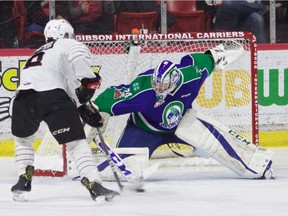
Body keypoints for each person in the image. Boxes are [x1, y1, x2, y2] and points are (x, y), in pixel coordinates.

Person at [92, 42, 275, 180]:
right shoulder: (143, 90)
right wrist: (95, 111)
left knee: (212, 139)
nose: (159, 89)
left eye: (163, 85)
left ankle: (255, 161)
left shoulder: (191, 75)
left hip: (181, 122)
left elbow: (207, 59)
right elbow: (111, 97)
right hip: (144, 130)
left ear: (173, 80)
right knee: (123, 172)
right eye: (157, 84)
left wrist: (219, 53)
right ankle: (88, 168)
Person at [10, 19, 119, 203]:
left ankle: (23, 179)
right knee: (76, 143)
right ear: (67, 34)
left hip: (22, 99)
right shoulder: (67, 43)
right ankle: (94, 183)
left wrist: (82, 107)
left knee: (23, 139)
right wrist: (88, 80)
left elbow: (68, 83)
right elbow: (77, 56)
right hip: (52, 97)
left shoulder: (37, 53)